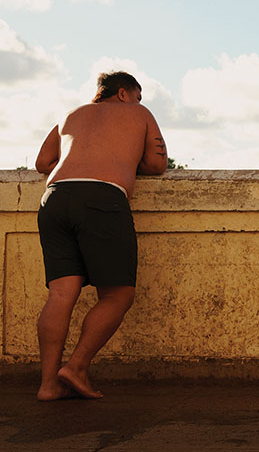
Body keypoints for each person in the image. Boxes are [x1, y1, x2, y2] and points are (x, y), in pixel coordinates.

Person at [33, 71, 168, 400]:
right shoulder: (138, 113)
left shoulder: (71, 115)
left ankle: (48, 385)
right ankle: (76, 367)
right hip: (102, 199)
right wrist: (121, 158)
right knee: (118, 295)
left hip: (54, 200)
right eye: (137, 95)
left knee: (60, 295)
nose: (139, 101)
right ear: (123, 93)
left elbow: (43, 162)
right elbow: (156, 164)